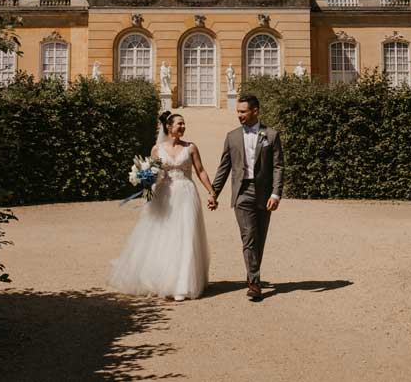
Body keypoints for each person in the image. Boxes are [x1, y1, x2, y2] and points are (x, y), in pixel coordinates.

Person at [109, 111, 213, 301]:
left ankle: (183, 284)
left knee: (185, 237)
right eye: (179, 124)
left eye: (184, 124)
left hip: (186, 194)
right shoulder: (157, 149)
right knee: (164, 237)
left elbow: (201, 170)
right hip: (164, 195)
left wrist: (211, 191)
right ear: (169, 127)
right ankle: (162, 280)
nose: (183, 127)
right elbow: (152, 173)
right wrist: (148, 187)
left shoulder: (190, 148)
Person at [208, 94, 283, 302]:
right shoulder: (231, 136)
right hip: (242, 193)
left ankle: (252, 273)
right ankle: (254, 283)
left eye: (243, 112)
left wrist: (276, 194)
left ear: (255, 111)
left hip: (265, 193)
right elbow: (224, 168)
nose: (239, 115)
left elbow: (278, 167)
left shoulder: (271, 135)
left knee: (260, 238)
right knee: (249, 236)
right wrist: (214, 193)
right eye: (238, 112)